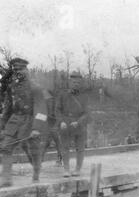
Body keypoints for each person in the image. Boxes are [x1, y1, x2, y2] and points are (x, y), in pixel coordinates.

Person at [0, 58, 48, 187]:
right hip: (14, 121)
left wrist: (36, 128)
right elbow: (8, 108)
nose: (17, 72)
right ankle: (6, 179)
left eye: (20, 69)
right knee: (5, 147)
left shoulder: (35, 88)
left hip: (30, 121)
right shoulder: (12, 87)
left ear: (27, 70)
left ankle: (36, 173)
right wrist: (2, 125)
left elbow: (41, 109)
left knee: (33, 150)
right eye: (15, 70)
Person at [56, 71, 89, 177]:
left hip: (79, 125)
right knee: (65, 148)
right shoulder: (62, 94)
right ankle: (66, 170)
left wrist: (79, 122)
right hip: (65, 124)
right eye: (74, 82)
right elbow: (57, 110)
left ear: (81, 83)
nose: (76, 84)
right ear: (70, 82)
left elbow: (87, 113)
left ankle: (78, 169)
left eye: (78, 83)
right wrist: (61, 122)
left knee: (80, 148)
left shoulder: (84, 96)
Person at [41, 89, 62, 166]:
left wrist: (56, 126)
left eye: (45, 93)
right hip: (50, 124)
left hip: (55, 124)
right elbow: (45, 115)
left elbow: (59, 116)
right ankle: (40, 159)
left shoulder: (54, 103)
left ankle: (59, 160)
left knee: (57, 142)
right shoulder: (47, 102)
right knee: (48, 142)